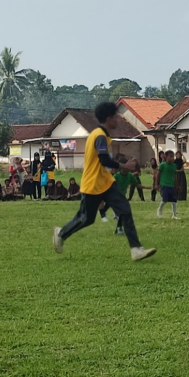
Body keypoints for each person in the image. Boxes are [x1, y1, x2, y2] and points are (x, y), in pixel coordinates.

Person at [52, 102, 156, 262]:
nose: (118, 120)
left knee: (125, 210)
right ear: (108, 118)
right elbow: (104, 159)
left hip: (106, 182)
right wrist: (125, 166)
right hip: (93, 183)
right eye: (116, 117)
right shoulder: (99, 135)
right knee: (86, 218)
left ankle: (136, 249)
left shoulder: (102, 135)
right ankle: (61, 233)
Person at [156, 150, 180, 219]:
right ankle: (159, 209)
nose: (172, 158)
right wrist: (157, 184)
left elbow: (175, 176)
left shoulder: (174, 166)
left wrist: (177, 185)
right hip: (164, 185)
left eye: (173, 157)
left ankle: (174, 215)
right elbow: (158, 174)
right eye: (170, 156)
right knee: (165, 199)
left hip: (172, 185)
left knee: (174, 200)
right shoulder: (162, 165)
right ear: (166, 157)